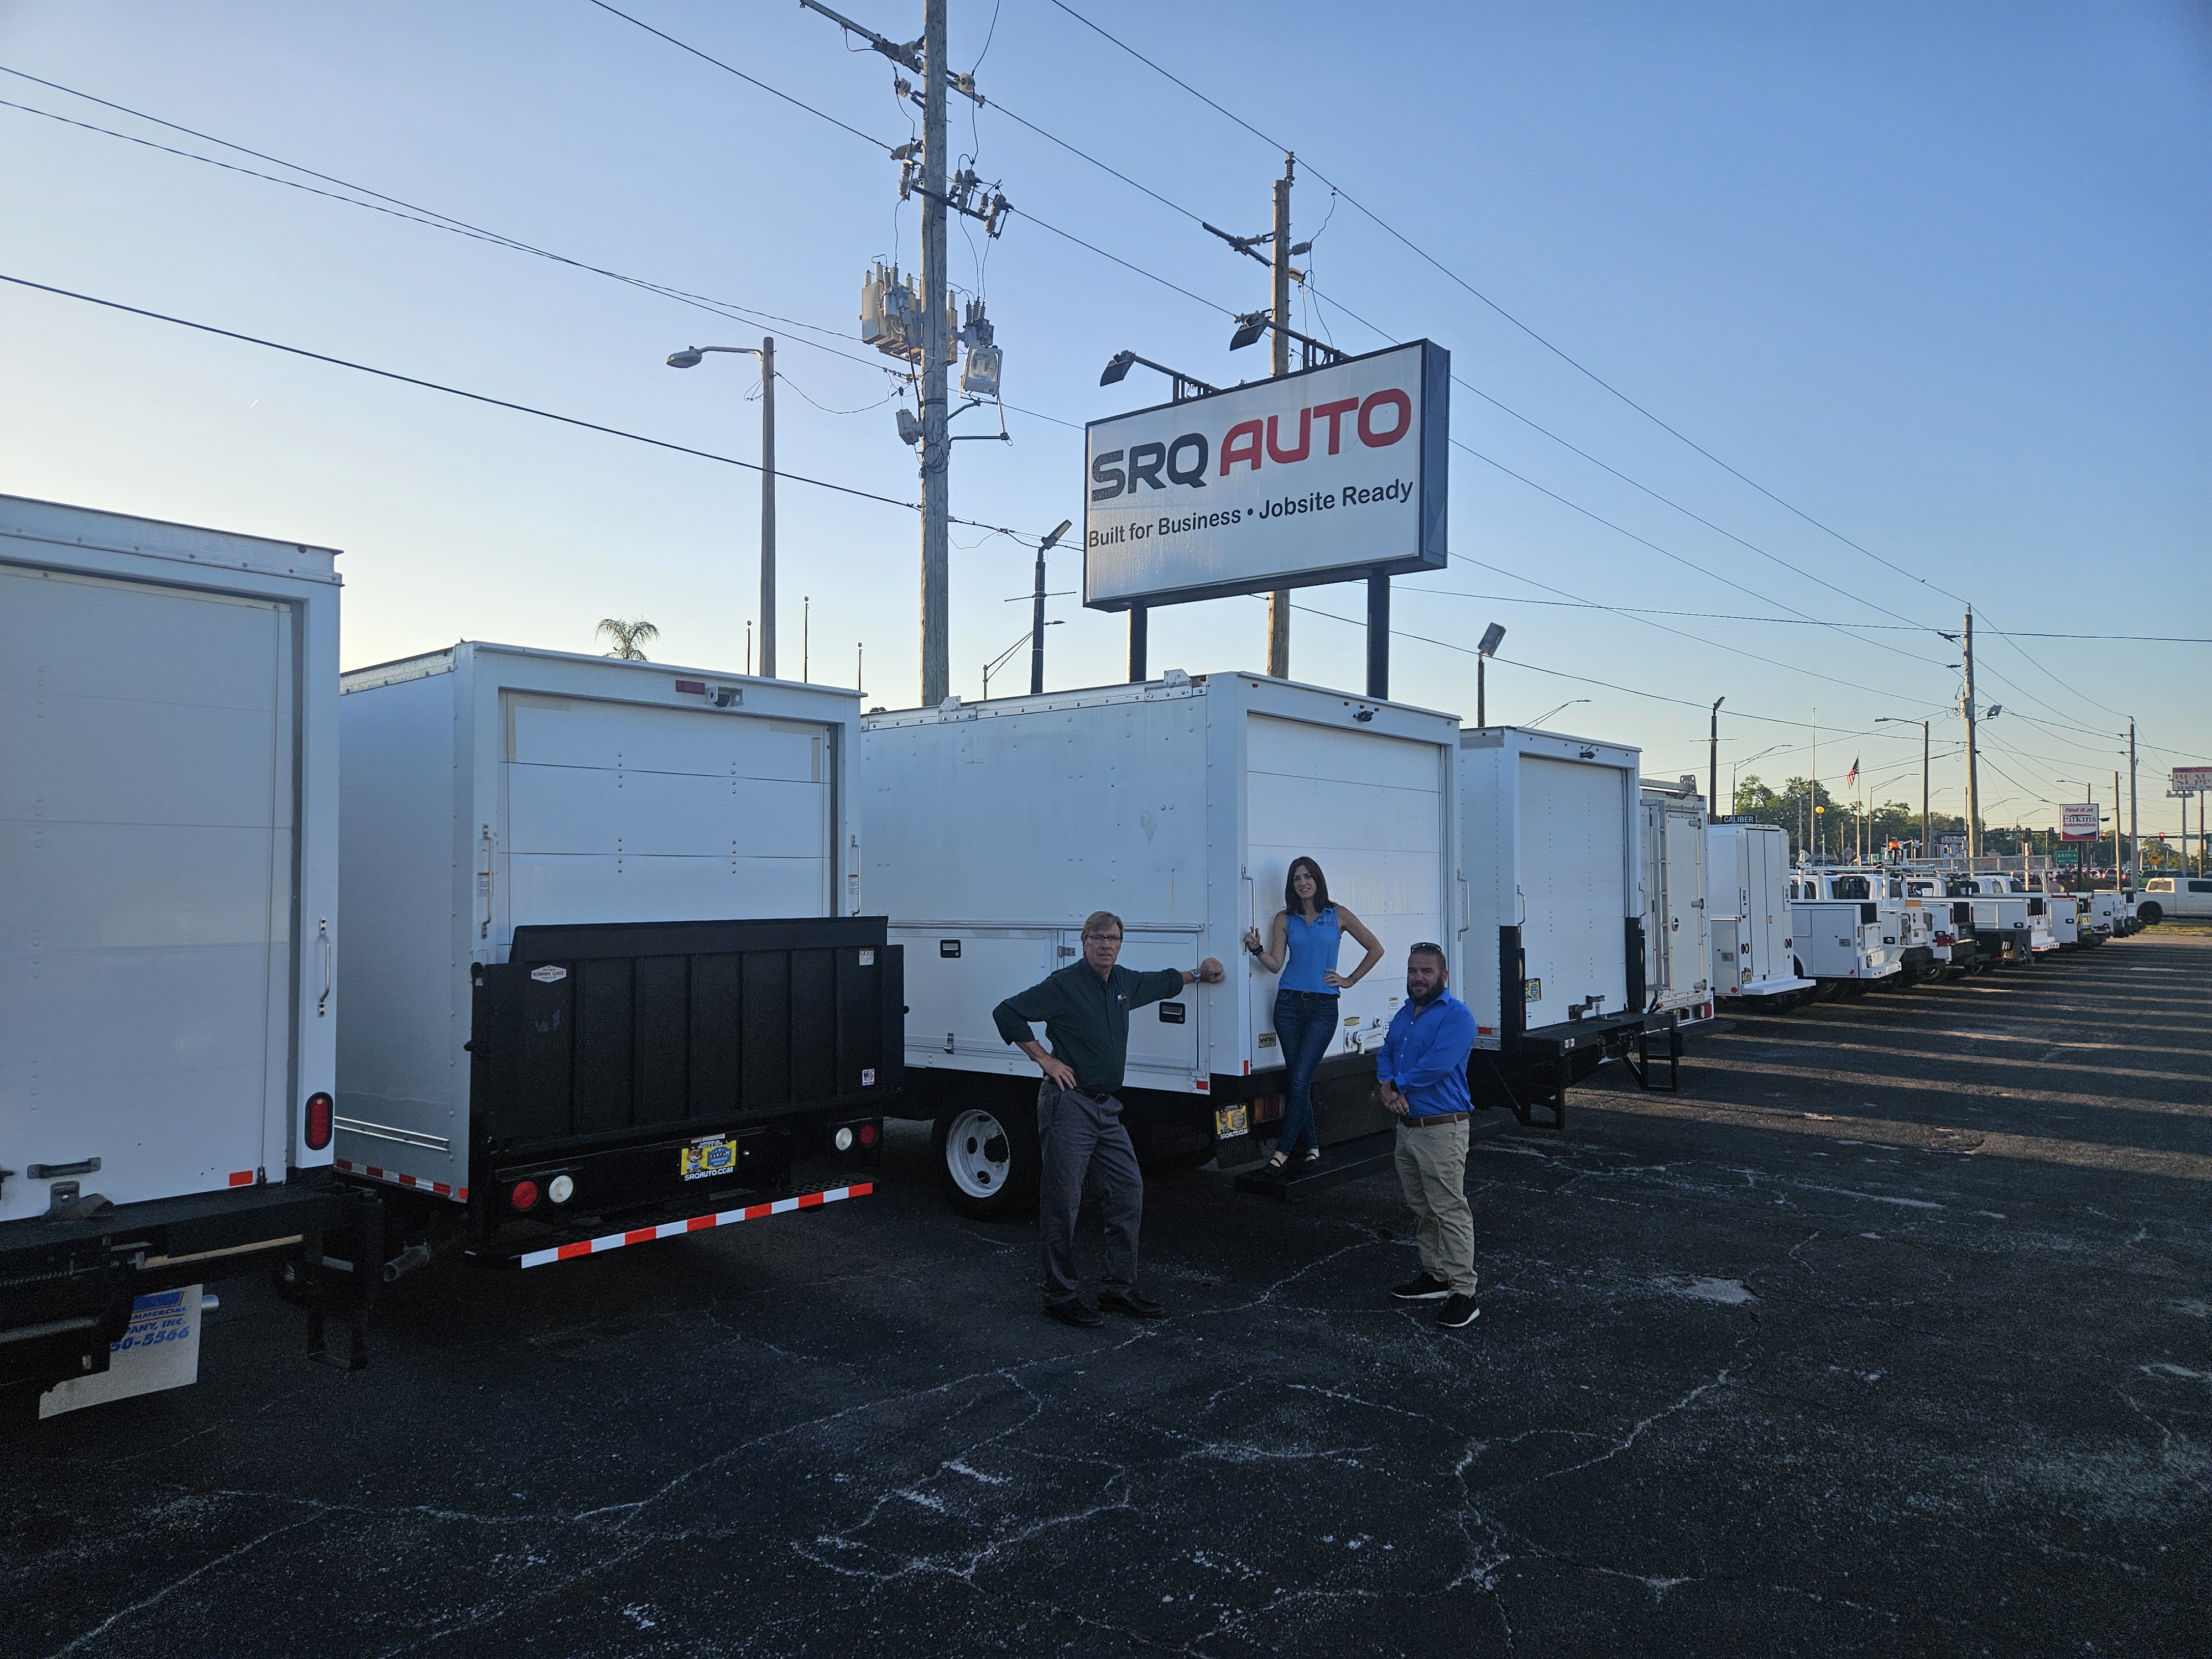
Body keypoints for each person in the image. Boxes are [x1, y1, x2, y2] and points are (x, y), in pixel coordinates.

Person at [993, 911, 1227, 1329]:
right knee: (1063, 1202)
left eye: (1113, 938)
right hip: (1070, 1105)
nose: (1106, 945)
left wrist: (1199, 972)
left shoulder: (1123, 983)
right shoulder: (1063, 985)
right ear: (1083, 942)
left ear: (1121, 944)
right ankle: (1059, 1295)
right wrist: (1045, 1059)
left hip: (1107, 1109)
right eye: (1097, 938)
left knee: (1127, 1190)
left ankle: (1117, 1288)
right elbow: (1007, 1013)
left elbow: (1162, 981)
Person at [1240, 857, 1384, 1173]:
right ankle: (1314, 1146)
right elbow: (1276, 964)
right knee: (1298, 1079)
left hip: (1323, 1008)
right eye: (1296, 878)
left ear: (1318, 880)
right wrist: (1256, 950)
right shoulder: (1284, 918)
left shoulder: (1338, 914)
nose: (1302, 882)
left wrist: (1349, 980)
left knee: (1302, 1077)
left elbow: (1376, 948)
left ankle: (1281, 1151)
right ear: (1291, 885)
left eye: (1308, 876)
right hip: (1289, 1005)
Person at [1374, 942, 1481, 1329]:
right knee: (1423, 1208)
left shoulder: (1458, 1016)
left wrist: (1397, 1086)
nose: (1418, 978)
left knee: (1449, 1209)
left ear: (1444, 976)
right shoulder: (1406, 1014)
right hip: (1409, 1130)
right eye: (1413, 971)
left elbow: (1438, 1064)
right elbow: (1386, 1051)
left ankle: (1464, 1293)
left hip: (1441, 1129)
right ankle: (1435, 1276)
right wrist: (1387, 1085)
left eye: (1427, 972)